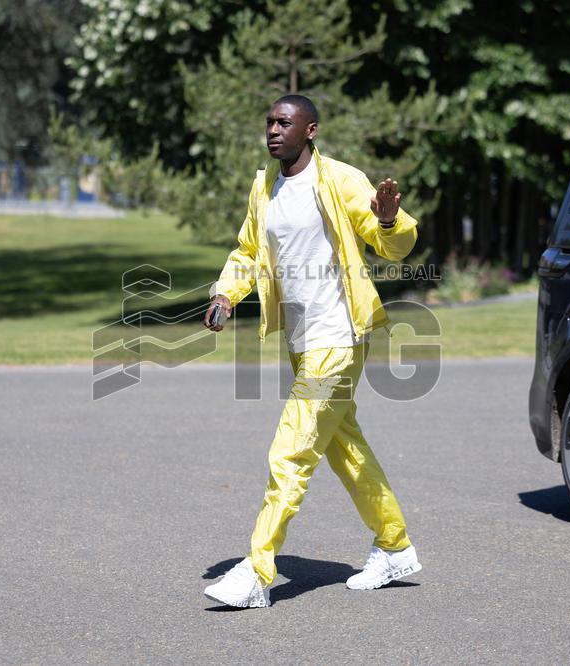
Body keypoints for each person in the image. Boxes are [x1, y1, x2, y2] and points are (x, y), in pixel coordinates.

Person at [202, 94, 421, 608]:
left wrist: (389, 221)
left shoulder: (340, 179)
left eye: (285, 122)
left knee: (291, 450)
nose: (274, 130)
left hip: (339, 337)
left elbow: (391, 243)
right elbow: (249, 250)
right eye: (269, 123)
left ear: (311, 130)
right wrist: (225, 293)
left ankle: (258, 571)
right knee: (344, 448)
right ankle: (394, 546)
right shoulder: (267, 187)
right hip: (302, 342)